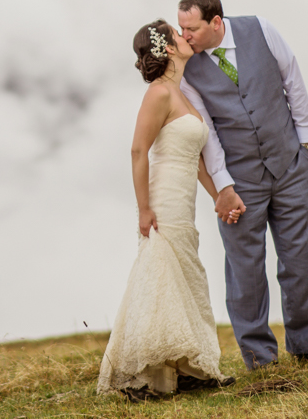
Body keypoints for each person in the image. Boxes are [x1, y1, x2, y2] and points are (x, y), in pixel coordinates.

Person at [175, 0, 308, 370]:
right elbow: (205, 129)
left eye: (191, 28)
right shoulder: (186, 70)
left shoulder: (261, 29)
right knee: (245, 272)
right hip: (240, 181)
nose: (184, 36)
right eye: (181, 28)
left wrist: (304, 143)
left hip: (291, 166)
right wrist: (223, 186)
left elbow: (293, 79)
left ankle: (306, 345)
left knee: (299, 260)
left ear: (216, 23)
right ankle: (260, 360)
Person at [97, 20, 235, 399]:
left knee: (186, 272)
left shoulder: (181, 93)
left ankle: (189, 368)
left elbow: (197, 159)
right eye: (178, 34)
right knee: (162, 274)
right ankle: (146, 376)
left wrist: (218, 195)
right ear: (168, 49)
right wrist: (144, 209)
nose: (185, 37)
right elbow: (138, 150)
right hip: (164, 196)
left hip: (185, 195)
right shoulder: (159, 93)